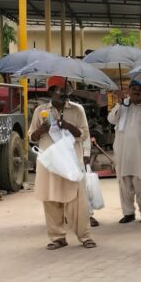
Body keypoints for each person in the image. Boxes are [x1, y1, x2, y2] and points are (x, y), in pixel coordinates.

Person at [28, 76, 96, 250]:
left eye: (68, 91)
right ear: (51, 92)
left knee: (78, 201)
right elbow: (31, 138)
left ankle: (85, 235)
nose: (65, 94)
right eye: (61, 90)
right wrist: (42, 129)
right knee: (51, 200)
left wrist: (66, 125)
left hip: (71, 163)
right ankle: (58, 237)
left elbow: (84, 134)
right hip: (50, 163)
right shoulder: (40, 111)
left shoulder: (77, 110)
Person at [107, 80, 141, 223]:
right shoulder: (122, 107)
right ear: (129, 91)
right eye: (133, 89)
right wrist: (119, 103)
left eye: (139, 89)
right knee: (124, 184)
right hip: (123, 152)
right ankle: (128, 213)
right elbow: (111, 119)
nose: (136, 91)